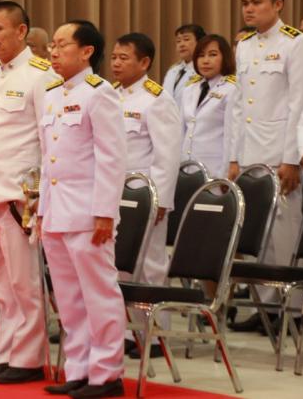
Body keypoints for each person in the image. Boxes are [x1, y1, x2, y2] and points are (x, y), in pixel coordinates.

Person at [39, 22, 126, 398]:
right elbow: (48, 160)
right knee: (69, 298)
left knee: (99, 294)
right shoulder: (51, 94)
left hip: (89, 214)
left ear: (87, 51)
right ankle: (78, 369)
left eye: (62, 45)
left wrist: (105, 212)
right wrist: (42, 209)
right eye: (52, 46)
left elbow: (111, 157)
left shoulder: (99, 92)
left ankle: (106, 374)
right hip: (57, 212)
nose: (53, 52)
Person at [228, 0, 303, 334]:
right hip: (251, 152)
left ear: (278, 4)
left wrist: (292, 158)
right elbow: (238, 106)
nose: (249, 9)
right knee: (258, 232)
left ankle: (292, 311)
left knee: (283, 230)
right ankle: (265, 307)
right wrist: (234, 158)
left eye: (257, 2)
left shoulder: (297, 44)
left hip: (281, 153)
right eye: (245, 3)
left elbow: (301, 104)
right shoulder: (245, 45)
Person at [0, 1, 56, 384]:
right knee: (0, 283)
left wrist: (39, 197)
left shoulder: (40, 75)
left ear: (21, 31)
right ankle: (8, 351)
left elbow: (49, 140)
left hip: (18, 196)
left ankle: (29, 357)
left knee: (24, 281)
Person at [111, 32, 182, 359]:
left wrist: (160, 200)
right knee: (119, 266)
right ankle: (128, 331)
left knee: (150, 265)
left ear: (144, 62)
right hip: (115, 194)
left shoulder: (157, 99)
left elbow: (167, 155)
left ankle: (155, 335)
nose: (116, 63)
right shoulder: (111, 94)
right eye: (114, 57)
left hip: (145, 195)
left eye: (124, 58)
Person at [180, 35, 238, 178]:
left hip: (214, 169)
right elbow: (182, 131)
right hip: (186, 168)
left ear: (225, 57)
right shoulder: (189, 89)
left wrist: (225, 173)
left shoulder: (232, 89)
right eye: (201, 56)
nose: (205, 61)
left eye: (212, 55)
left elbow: (231, 136)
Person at [163, 24, 206, 105]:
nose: (181, 44)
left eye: (186, 39)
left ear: (200, 42)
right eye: (178, 41)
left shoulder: (204, 69)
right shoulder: (173, 70)